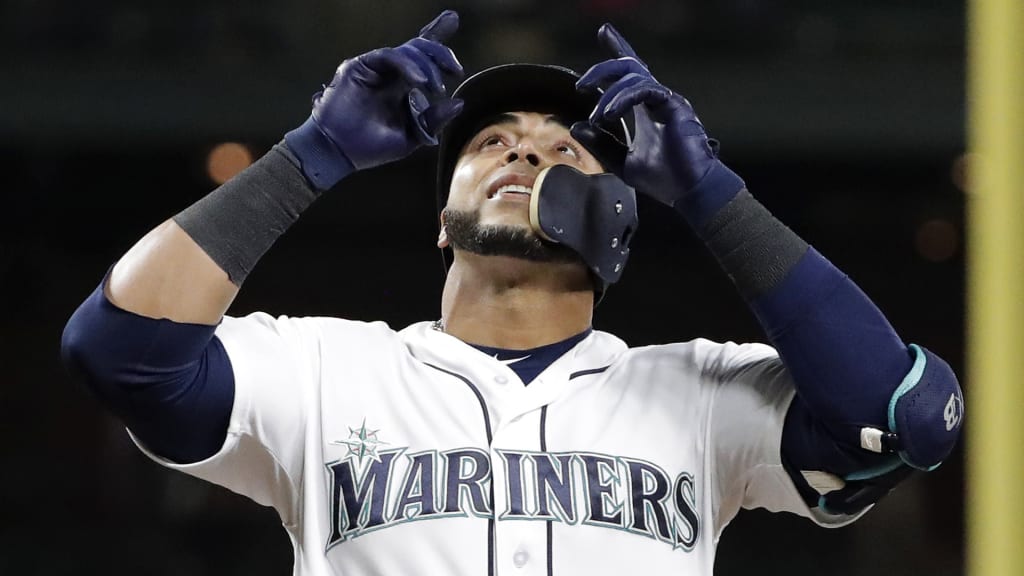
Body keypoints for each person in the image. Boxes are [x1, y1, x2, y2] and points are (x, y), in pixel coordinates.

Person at [61, 10, 964, 575]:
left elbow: (900, 414)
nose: (524, 148)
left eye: (564, 148)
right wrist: (312, 154)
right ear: (442, 222)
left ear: (617, 224)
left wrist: (710, 194)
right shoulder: (322, 369)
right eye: (491, 142)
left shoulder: (702, 390)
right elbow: (119, 350)